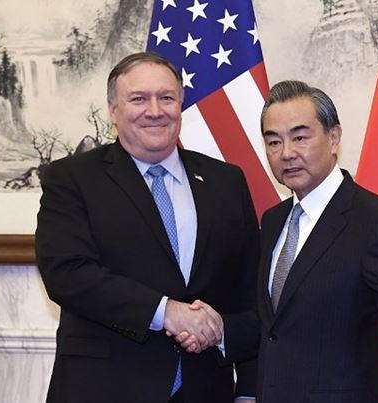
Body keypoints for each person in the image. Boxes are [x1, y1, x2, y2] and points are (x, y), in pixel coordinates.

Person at [35, 52, 260, 403]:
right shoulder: (72, 179)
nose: (155, 111)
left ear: (180, 105)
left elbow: (251, 293)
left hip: (205, 390)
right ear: (113, 110)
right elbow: (67, 273)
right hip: (105, 389)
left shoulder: (226, 181)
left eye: (166, 98)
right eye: (138, 99)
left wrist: (247, 388)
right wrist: (166, 311)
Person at [256, 80, 378, 402]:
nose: (286, 153)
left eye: (300, 138)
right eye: (274, 142)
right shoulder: (273, 221)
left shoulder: (377, 221)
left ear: (334, 138)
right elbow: (273, 329)